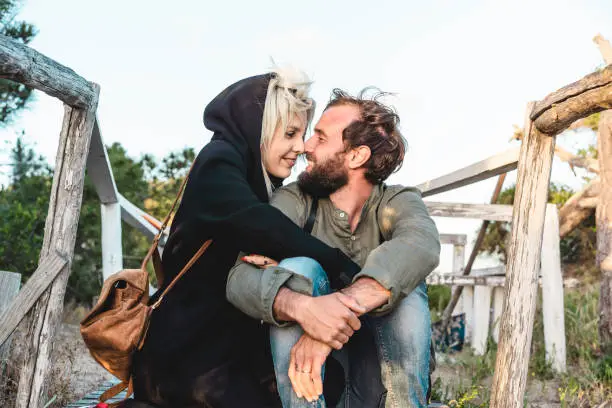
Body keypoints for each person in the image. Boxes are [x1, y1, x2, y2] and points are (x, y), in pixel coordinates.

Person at [130, 70, 369, 408]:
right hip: (189, 352)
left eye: (301, 134)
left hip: (228, 342)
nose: (299, 147)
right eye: (289, 133)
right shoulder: (219, 160)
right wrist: (347, 270)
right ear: (259, 127)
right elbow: (260, 225)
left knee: (329, 385)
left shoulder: (259, 178)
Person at [228, 89, 441, 407]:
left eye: (320, 138)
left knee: (406, 286)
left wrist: (331, 318)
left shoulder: (397, 201)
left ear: (357, 156)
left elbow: (419, 244)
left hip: (379, 373)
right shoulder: (294, 199)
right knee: (299, 271)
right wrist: (305, 309)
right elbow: (239, 278)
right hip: (314, 383)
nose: (305, 147)